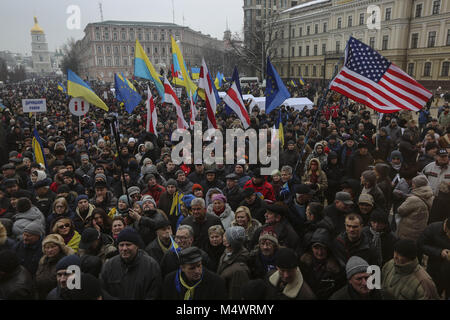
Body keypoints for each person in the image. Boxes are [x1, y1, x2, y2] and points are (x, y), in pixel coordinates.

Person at [100, 227, 162, 299]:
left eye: (128, 244)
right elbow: (103, 291)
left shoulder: (151, 266)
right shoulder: (109, 266)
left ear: (137, 246)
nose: (124, 248)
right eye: (121, 245)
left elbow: (154, 294)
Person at [162, 246, 227, 300]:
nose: (197, 271)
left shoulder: (216, 282)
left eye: (199, 265)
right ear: (182, 268)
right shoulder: (170, 280)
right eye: (192, 268)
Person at [299, 228, 345, 299]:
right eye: (316, 248)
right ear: (311, 248)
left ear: (328, 249)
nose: (320, 252)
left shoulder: (336, 269)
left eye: (323, 248)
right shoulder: (304, 263)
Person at [35, 234, 75, 299]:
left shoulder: (66, 262)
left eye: (53, 247)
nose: (50, 250)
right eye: (47, 247)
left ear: (60, 247)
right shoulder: (42, 261)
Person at [417, 218, 450, 297]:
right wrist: (439, 252)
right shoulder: (433, 228)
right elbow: (421, 244)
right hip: (435, 271)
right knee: (432, 294)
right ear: (446, 229)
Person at [217, 226, 251, 299]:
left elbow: (236, 294)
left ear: (228, 243)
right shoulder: (227, 253)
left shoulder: (239, 270)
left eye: (225, 236)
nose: (223, 236)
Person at [397, 175, 434, 242]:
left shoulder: (413, 199)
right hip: (420, 227)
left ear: (416, 185)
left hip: (409, 230)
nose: (412, 185)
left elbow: (400, 210)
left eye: (413, 183)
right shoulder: (430, 195)